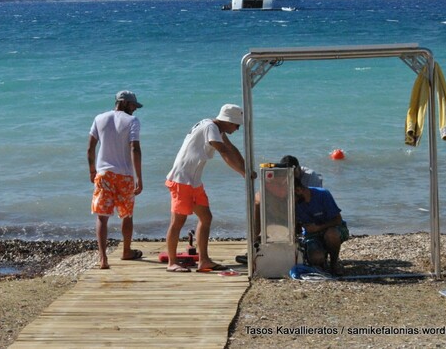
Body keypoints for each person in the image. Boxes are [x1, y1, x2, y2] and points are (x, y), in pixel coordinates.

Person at [165, 104, 255, 272]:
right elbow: (224, 152)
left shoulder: (216, 128)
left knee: (206, 217)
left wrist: (247, 168)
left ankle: (204, 260)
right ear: (228, 121)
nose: (237, 128)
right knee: (178, 222)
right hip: (181, 180)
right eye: (236, 125)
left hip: (194, 181)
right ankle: (172, 262)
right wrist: (243, 173)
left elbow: (231, 149)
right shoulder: (210, 127)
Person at [87, 90, 144, 269]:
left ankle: (103, 259)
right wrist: (139, 177)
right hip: (125, 175)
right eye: (133, 105)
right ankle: (126, 251)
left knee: (102, 217)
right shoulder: (132, 121)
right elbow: (135, 148)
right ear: (125, 103)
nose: (135, 109)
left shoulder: (99, 118)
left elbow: (90, 148)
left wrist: (92, 171)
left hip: (104, 173)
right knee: (127, 214)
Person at [252, 155, 322, 240]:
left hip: (304, 203)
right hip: (285, 200)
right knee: (258, 201)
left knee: (294, 202)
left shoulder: (310, 175)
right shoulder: (280, 174)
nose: (291, 175)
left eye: (294, 172)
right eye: (288, 172)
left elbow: (310, 198)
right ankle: (256, 237)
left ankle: (295, 234)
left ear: (299, 169)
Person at [294, 177, 349, 276]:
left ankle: (334, 263)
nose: (291, 200)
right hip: (312, 235)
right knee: (316, 258)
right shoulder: (294, 205)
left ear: (298, 190)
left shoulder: (322, 194)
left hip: (332, 228)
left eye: (292, 196)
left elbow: (338, 220)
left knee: (331, 235)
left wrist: (318, 228)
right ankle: (322, 260)